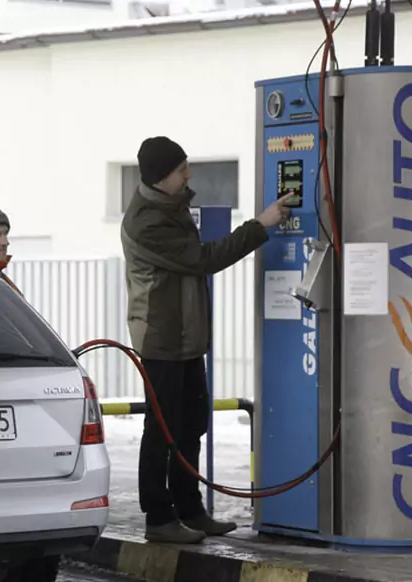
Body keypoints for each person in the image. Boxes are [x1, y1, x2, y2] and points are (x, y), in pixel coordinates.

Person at [121, 136, 294, 544]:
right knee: (162, 429)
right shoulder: (147, 221)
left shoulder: (171, 205)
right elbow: (204, 258)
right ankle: (159, 518)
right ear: (162, 177)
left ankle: (190, 508)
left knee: (192, 423)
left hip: (186, 336)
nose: (189, 174)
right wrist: (260, 225)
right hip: (162, 337)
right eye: (182, 169)